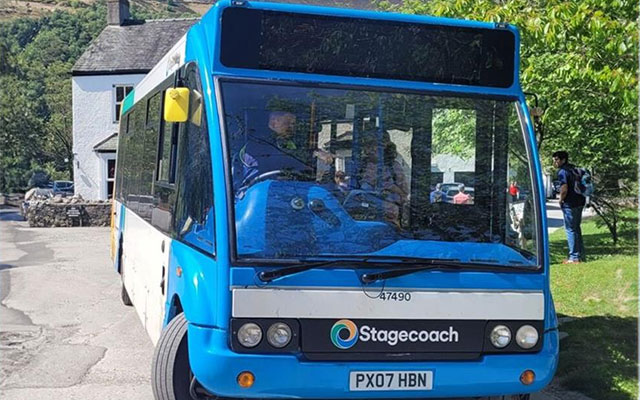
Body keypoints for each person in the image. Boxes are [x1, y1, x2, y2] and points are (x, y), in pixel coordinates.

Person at [552, 150, 586, 263]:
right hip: (580, 202)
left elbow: (564, 189)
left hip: (569, 204)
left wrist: (560, 200)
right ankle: (580, 255)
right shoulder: (574, 169)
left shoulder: (562, 172)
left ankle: (574, 257)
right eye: (554, 160)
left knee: (570, 229)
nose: (555, 162)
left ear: (563, 160)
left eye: (556, 159)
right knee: (576, 228)